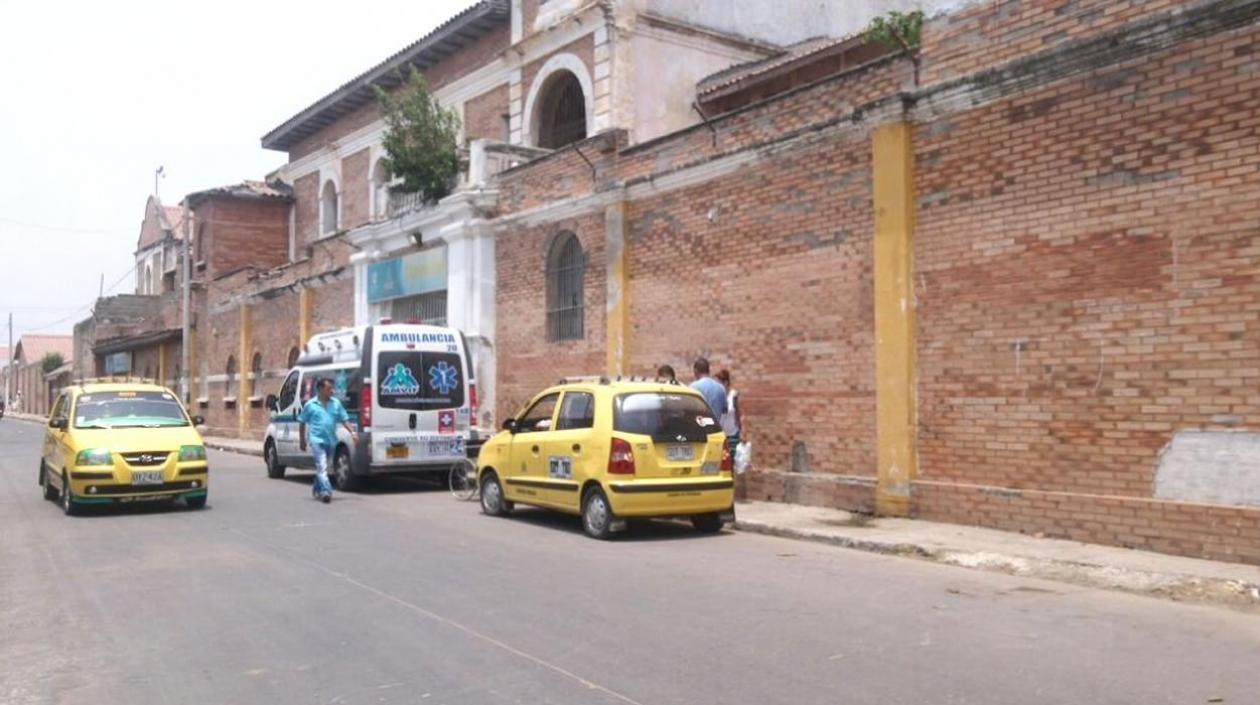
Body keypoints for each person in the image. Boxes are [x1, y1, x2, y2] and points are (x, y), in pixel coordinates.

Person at [298, 377, 359, 503]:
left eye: (332, 388)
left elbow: (344, 419)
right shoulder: (310, 405)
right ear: (320, 389)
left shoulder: (336, 404)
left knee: (323, 467)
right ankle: (326, 492)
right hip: (316, 440)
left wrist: (353, 432)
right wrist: (302, 441)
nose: (332, 391)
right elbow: (302, 422)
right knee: (322, 466)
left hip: (331, 441)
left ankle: (317, 487)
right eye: (329, 388)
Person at [715, 369, 744, 459]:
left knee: (732, 461)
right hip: (720, 435)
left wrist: (742, 432)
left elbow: (740, 415)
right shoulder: (717, 396)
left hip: (732, 435)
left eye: (718, 383)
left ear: (726, 383)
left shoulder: (733, 396)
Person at [689, 357, 727, 421]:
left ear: (695, 371)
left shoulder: (692, 387)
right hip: (716, 429)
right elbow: (724, 411)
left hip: (699, 428)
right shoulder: (720, 388)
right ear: (708, 370)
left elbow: (689, 411)